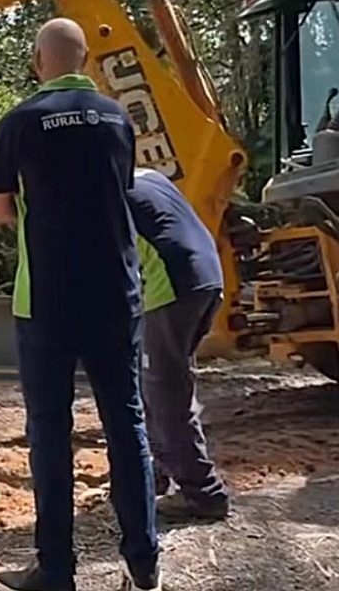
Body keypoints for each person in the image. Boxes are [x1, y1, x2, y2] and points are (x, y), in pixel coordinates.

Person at [0, 19, 161, 591]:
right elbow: (122, 186)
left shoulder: (19, 121)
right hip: (116, 293)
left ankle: (56, 570)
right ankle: (144, 562)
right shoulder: (118, 118)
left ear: (39, 60)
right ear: (84, 60)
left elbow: (0, 208)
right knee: (126, 424)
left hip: (48, 301)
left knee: (50, 432)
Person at [127, 167, 229, 521]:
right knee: (159, 383)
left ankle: (204, 494)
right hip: (207, 279)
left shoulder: (102, 191)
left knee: (164, 391)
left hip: (171, 288)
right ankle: (156, 473)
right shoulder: (151, 175)